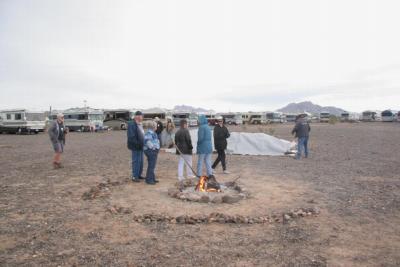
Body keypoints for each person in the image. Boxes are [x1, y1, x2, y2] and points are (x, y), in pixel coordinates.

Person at [127, 111, 145, 182]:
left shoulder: (139, 124)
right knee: (136, 161)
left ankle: (139, 175)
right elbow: (131, 137)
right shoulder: (131, 124)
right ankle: (135, 176)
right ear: (137, 116)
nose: (142, 117)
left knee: (140, 161)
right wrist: (138, 144)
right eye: (141, 116)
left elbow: (141, 134)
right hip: (135, 146)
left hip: (141, 146)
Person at [143, 120, 160, 185]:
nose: (157, 127)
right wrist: (154, 148)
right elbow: (148, 142)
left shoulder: (153, 133)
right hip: (151, 151)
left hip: (153, 151)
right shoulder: (149, 133)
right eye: (156, 126)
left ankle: (152, 178)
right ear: (153, 126)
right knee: (151, 165)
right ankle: (149, 180)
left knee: (152, 165)